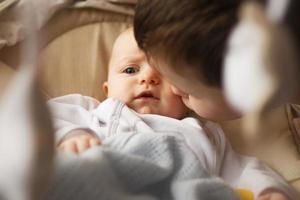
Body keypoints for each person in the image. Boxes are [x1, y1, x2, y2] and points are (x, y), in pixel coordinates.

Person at [47, 28, 296, 199]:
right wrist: (72, 134)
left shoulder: (204, 133)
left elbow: (243, 170)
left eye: (165, 74)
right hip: (103, 179)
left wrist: (268, 189)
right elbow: (38, 120)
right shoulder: (91, 110)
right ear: (107, 88)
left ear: (186, 89)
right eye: (131, 70)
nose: (148, 78)